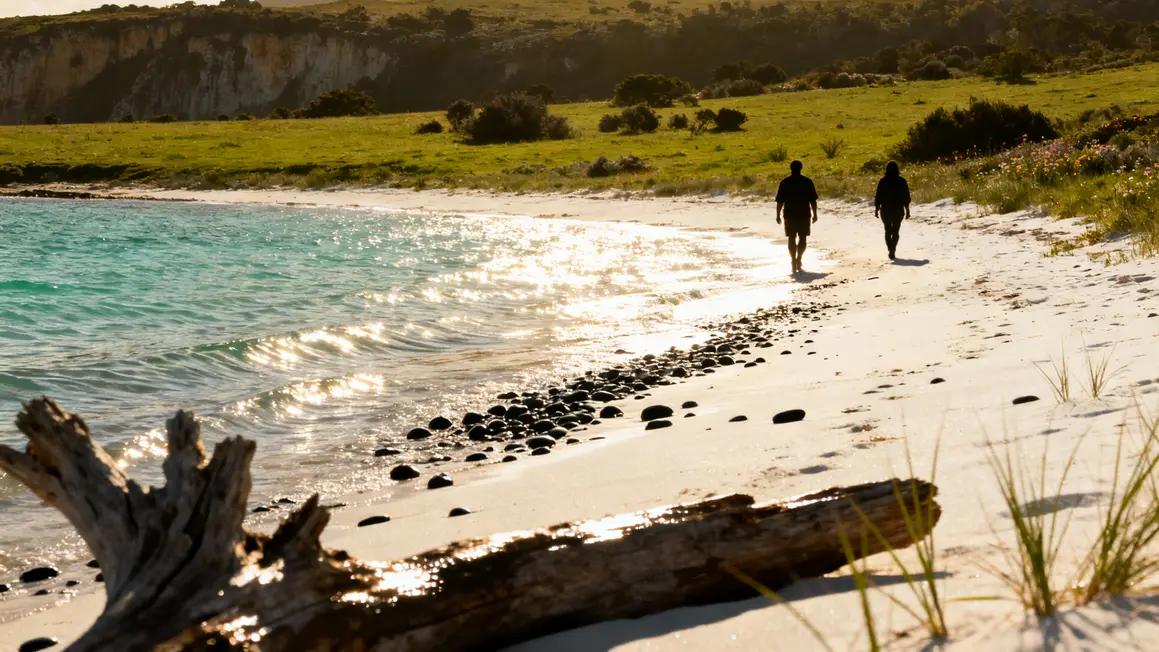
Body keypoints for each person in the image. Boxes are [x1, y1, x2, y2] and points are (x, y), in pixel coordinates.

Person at [775, 160, 818, 274]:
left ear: (791, 168)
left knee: (791, 237)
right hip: (804, 214)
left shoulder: (785, 182)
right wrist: (815, 214)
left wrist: (778, 215)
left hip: (789, 214)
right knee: (803, 237)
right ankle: (799, 258)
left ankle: (793, 259)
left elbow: (780, 201)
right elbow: (813, 200)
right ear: (801, 168)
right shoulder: (807, 182)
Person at [875, 161, 911, 260]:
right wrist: (907, 209)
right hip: (898, 209)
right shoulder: (902, 181)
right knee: (895, 231)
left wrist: (876, 208)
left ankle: (890, 248)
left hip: (885, 209)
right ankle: (893, 248)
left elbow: (878, 196)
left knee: (887, 230)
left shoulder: (883, 181)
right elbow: (906, 196)